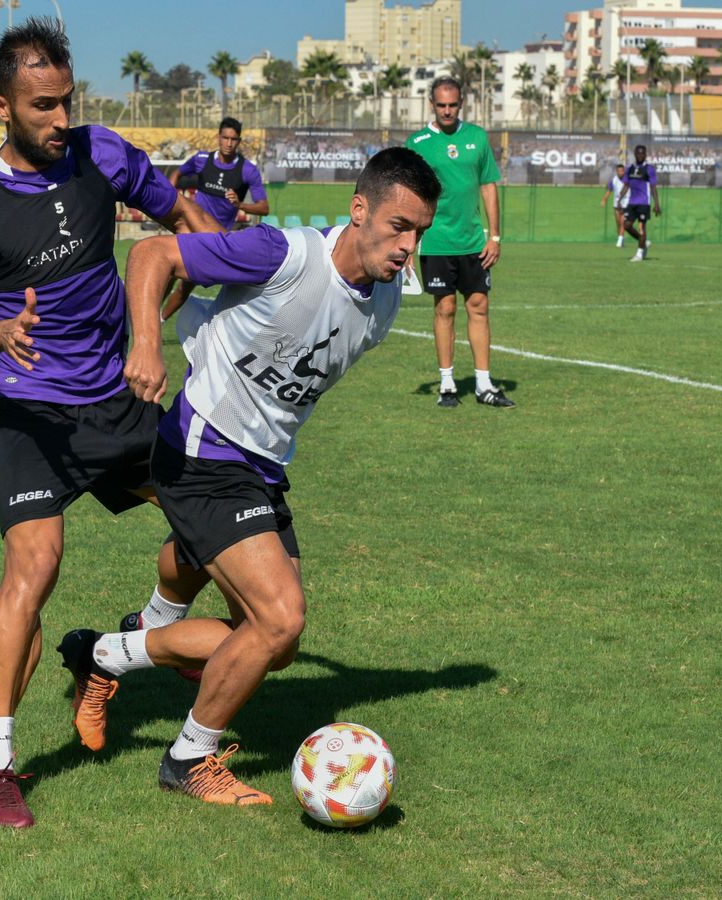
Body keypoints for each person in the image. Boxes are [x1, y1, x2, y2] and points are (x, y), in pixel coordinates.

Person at [56, 147, 439, 808]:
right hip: (205, 451)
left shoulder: (383, 309)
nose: (408, 245)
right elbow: (154, 256)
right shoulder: (283, 255)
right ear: (359, 210)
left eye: (420, 232)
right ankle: (188, 759)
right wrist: (147, 343)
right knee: (280, 618)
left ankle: (108, 652)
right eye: (399, 225)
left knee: (270, 647)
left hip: (260, 468)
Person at [0, 17, 220, 829]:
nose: (61, 121)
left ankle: (120, 648)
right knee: (36, 562)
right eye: (42, 107)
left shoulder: (104, 153)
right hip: (27, 414)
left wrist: (218, 272)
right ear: (2, 106)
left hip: (118, 400)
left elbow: (180, 216)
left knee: (216, 528)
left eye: (68, 102)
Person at [405, 76, 513, 409]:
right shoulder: (418, 143)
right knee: (445, 308)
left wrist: (494, 236)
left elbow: (489, 187)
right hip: (437, 241)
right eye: (442, 105)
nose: (448, 111)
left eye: (453, 105)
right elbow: (410, 196)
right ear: (432, 105)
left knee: (479, 306)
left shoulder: (477, 138)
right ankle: (448, 384)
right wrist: (409, 242)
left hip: (473, 242)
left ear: (462, 103)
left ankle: (484, 384)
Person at [160, 117, 270, 320]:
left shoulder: (247, 170)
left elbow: (264, 208)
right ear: (218, 137)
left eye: (234, 139)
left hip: (215, 238)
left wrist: (240, 205)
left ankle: (159, 320)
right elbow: (177, 172)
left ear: (239, 141)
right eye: (225, 138)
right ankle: (150, 318)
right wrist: (171, 195)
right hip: (190, 230)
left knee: (186, 283)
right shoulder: (202, 159)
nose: (229, 143)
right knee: (168, 272)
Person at [619, 144, 659, 262]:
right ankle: (644, 242)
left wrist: (656, 204)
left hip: (644, 203)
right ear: (635, 154)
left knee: (641, 228)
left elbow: (653, 187)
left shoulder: (649, 169)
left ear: (645, 155)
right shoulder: (630, 168)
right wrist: (620, 199)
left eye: (643, 153)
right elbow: (626, 185)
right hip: (632, 203)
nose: (640, 155)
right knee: (626, 225)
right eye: (638, 153)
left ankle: (639, 254)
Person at [601, 163, 629, 248]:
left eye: (622, 171)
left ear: (624, 171)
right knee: (618, 222)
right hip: (616, 203)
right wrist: (604, 200)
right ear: (616, 172)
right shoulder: (614, 180)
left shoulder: (627, 180)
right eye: (619, 171)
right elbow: (609, 191)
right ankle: (621, 238)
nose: (620, 172)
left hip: (625, 203)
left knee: (623, 222)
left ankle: (619, 241)